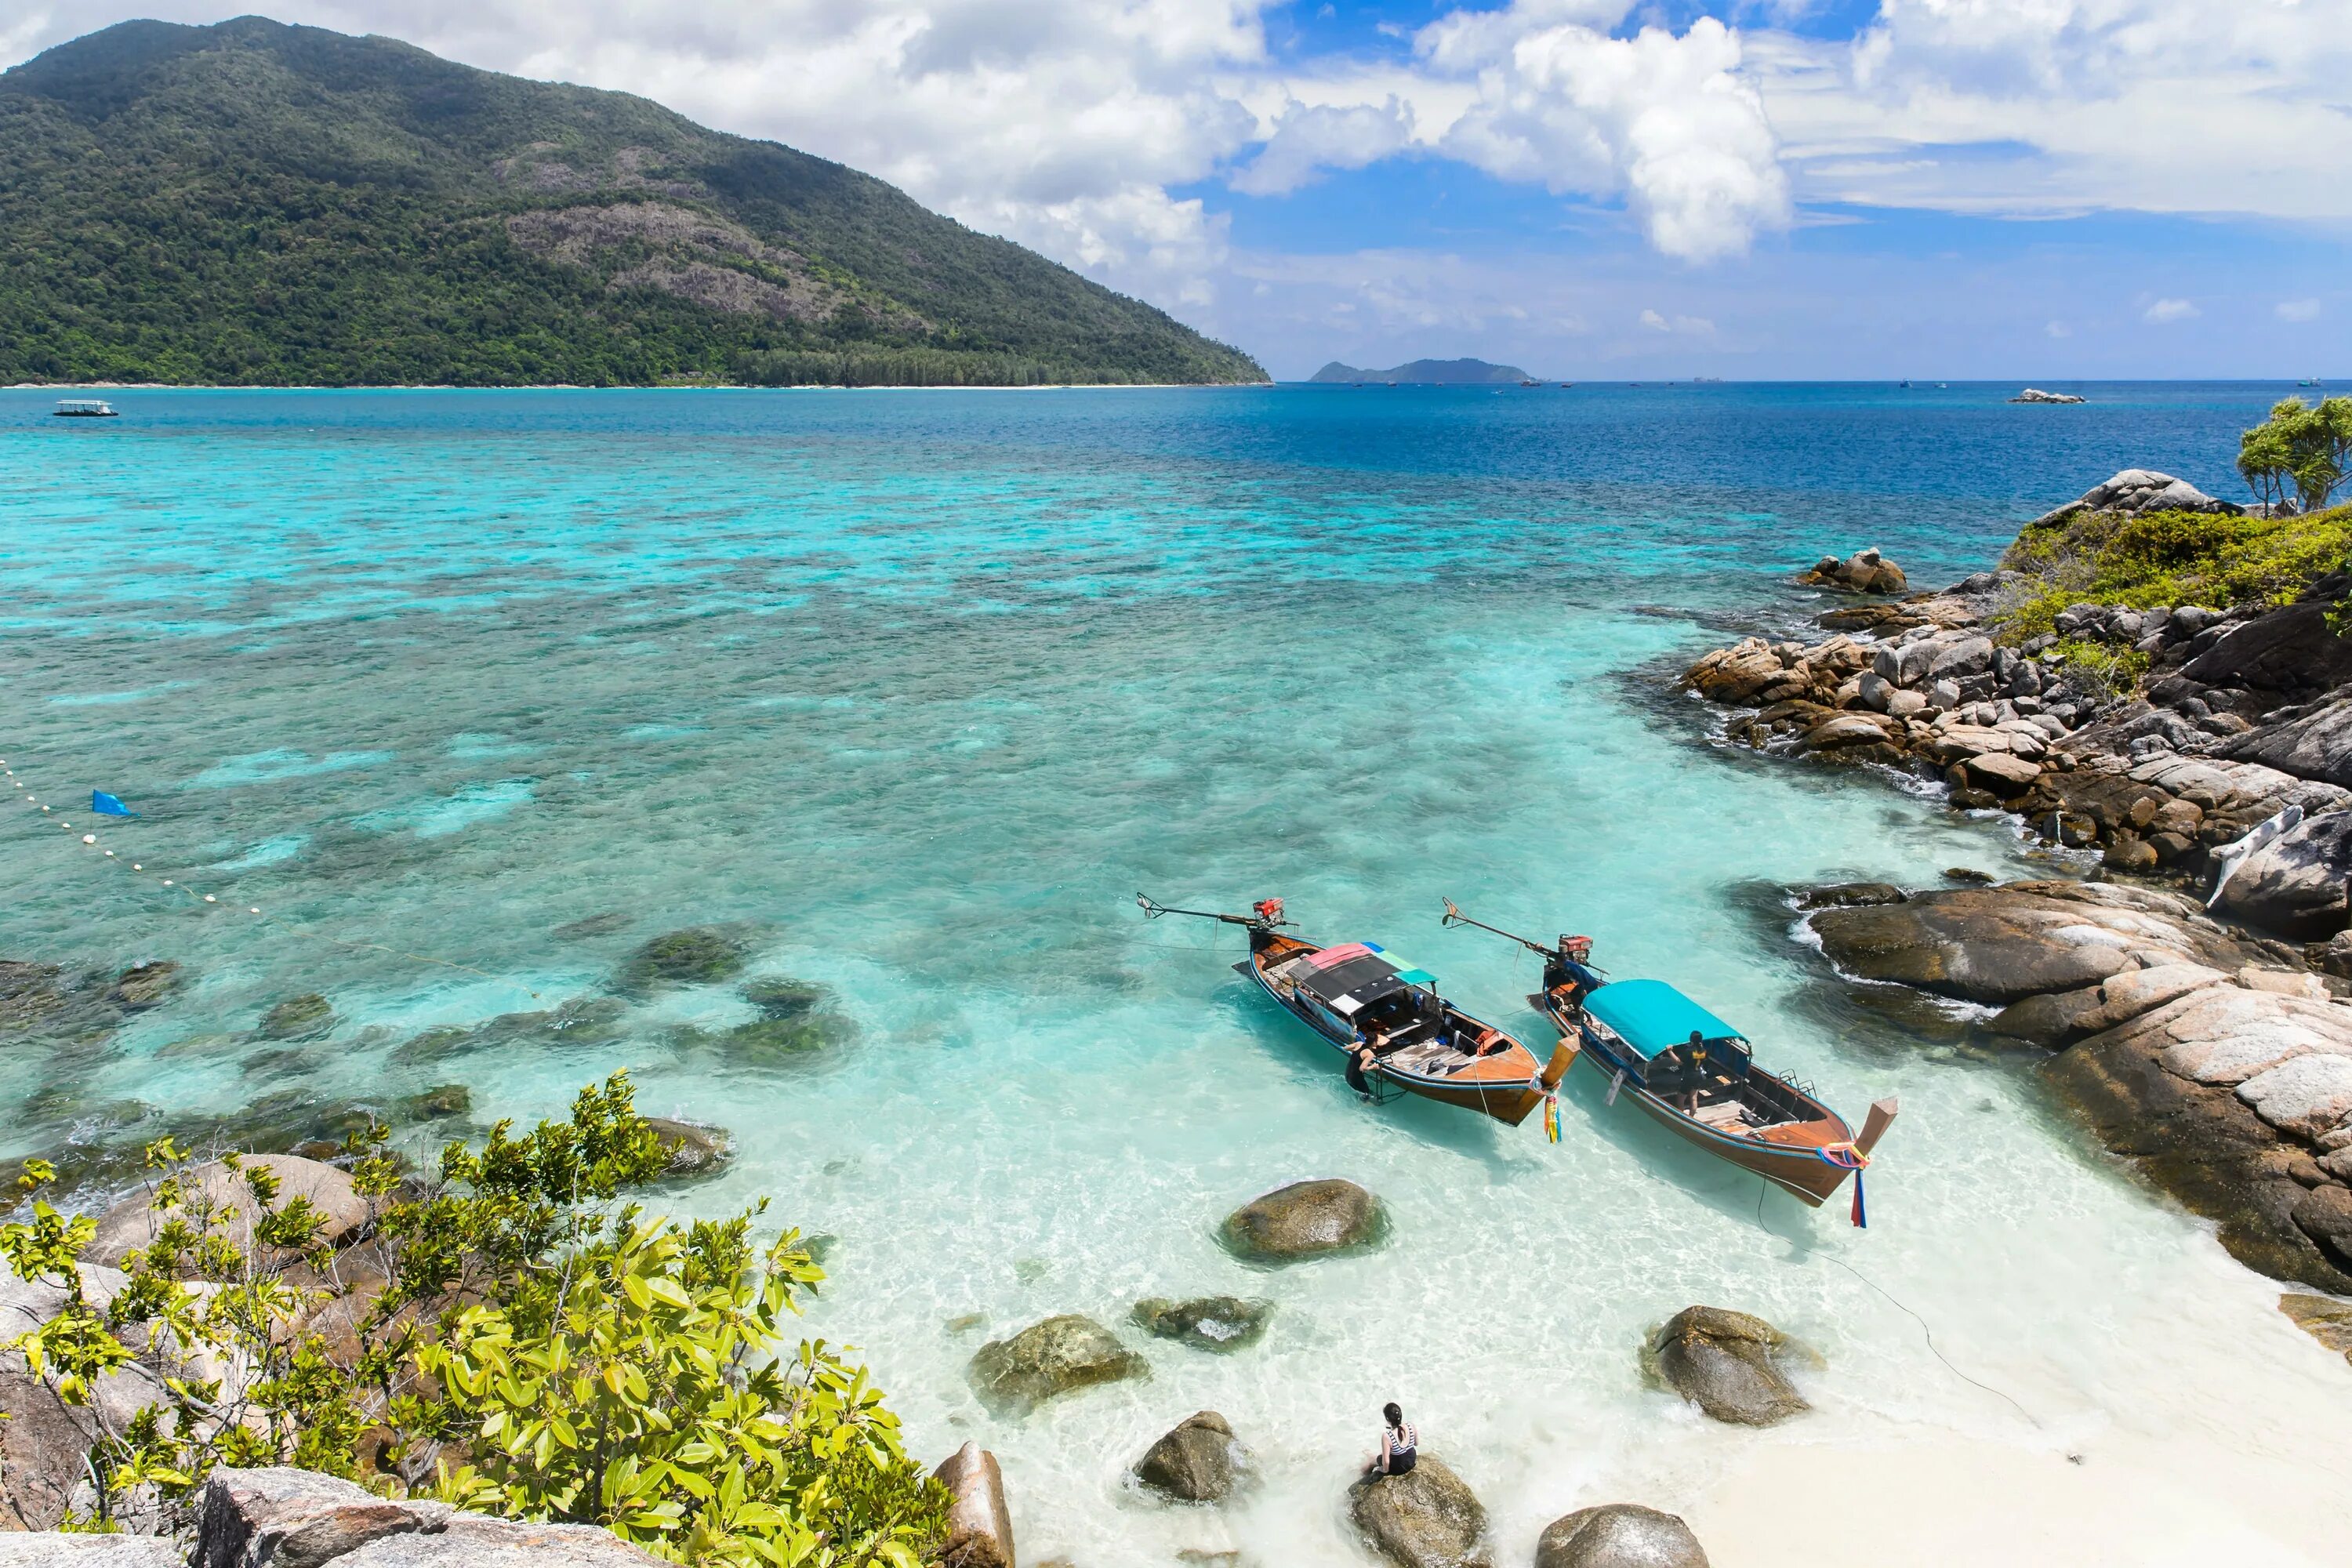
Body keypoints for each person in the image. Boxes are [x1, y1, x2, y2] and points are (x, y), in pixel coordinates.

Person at [1367, 1402, 1417, 1476]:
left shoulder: (1387, 1436)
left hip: (1399, 1468)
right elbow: (1416, 1443)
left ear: (1387, 1419)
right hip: (1412, 1462)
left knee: (1371, 1461)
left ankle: (1364, 1472)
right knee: (1389, 1453)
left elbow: (1386, 1462)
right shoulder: (1410, 1426)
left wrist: (1384, 1470)